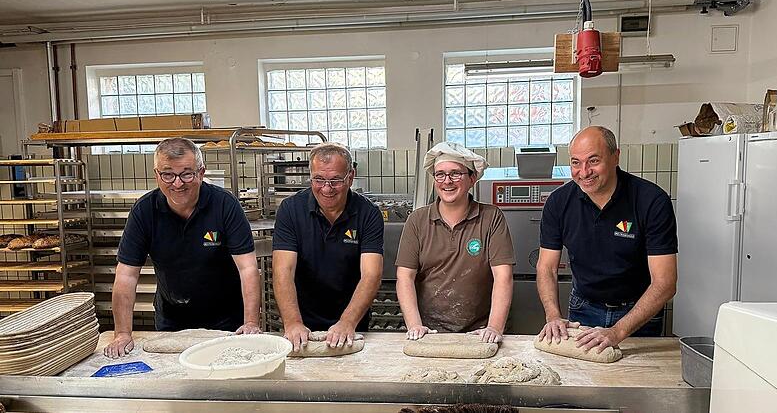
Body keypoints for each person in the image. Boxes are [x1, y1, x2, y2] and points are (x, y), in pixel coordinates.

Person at [104, 138, 261, 358]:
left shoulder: (225, 205)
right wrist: (122, 333)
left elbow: (248, 268)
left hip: (225, 319)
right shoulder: (144, 211)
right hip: (172, 318)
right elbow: (126, 276)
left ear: (201, 172)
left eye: (187, 174)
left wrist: (251, 322)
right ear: (156, 174)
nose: (177, 183)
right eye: (168, 174)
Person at [537, 126, 678, 353]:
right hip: (583, 308)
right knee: (580, 382)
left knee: (634, 380)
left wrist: (617, 331)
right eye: (575, 162)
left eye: (593, 161)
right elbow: (547, 268)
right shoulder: (558, 203)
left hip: (638, 314)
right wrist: (553, 315)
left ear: (615, 157)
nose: (584, 172)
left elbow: (665, 283)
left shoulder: (651, 201)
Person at [396, 142, 514, 343]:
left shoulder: (491, 218)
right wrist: (415, 325)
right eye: (440, 174)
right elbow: (404, 277)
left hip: (480, 331)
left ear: (472, 179)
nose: (447, 181)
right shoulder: (417, 221)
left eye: (455, 174)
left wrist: (494, 327)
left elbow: (503, 276)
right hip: (430, 331)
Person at [271, 142, 383, 351]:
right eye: (319, 180)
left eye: (335, 180)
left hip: (352, 321)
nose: (326, 188)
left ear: (350, 177)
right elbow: (282, 271)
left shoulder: (368, 213)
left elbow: (371, 274)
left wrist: (347, 321)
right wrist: (293, 322)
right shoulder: (290, 210)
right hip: (301, 321)